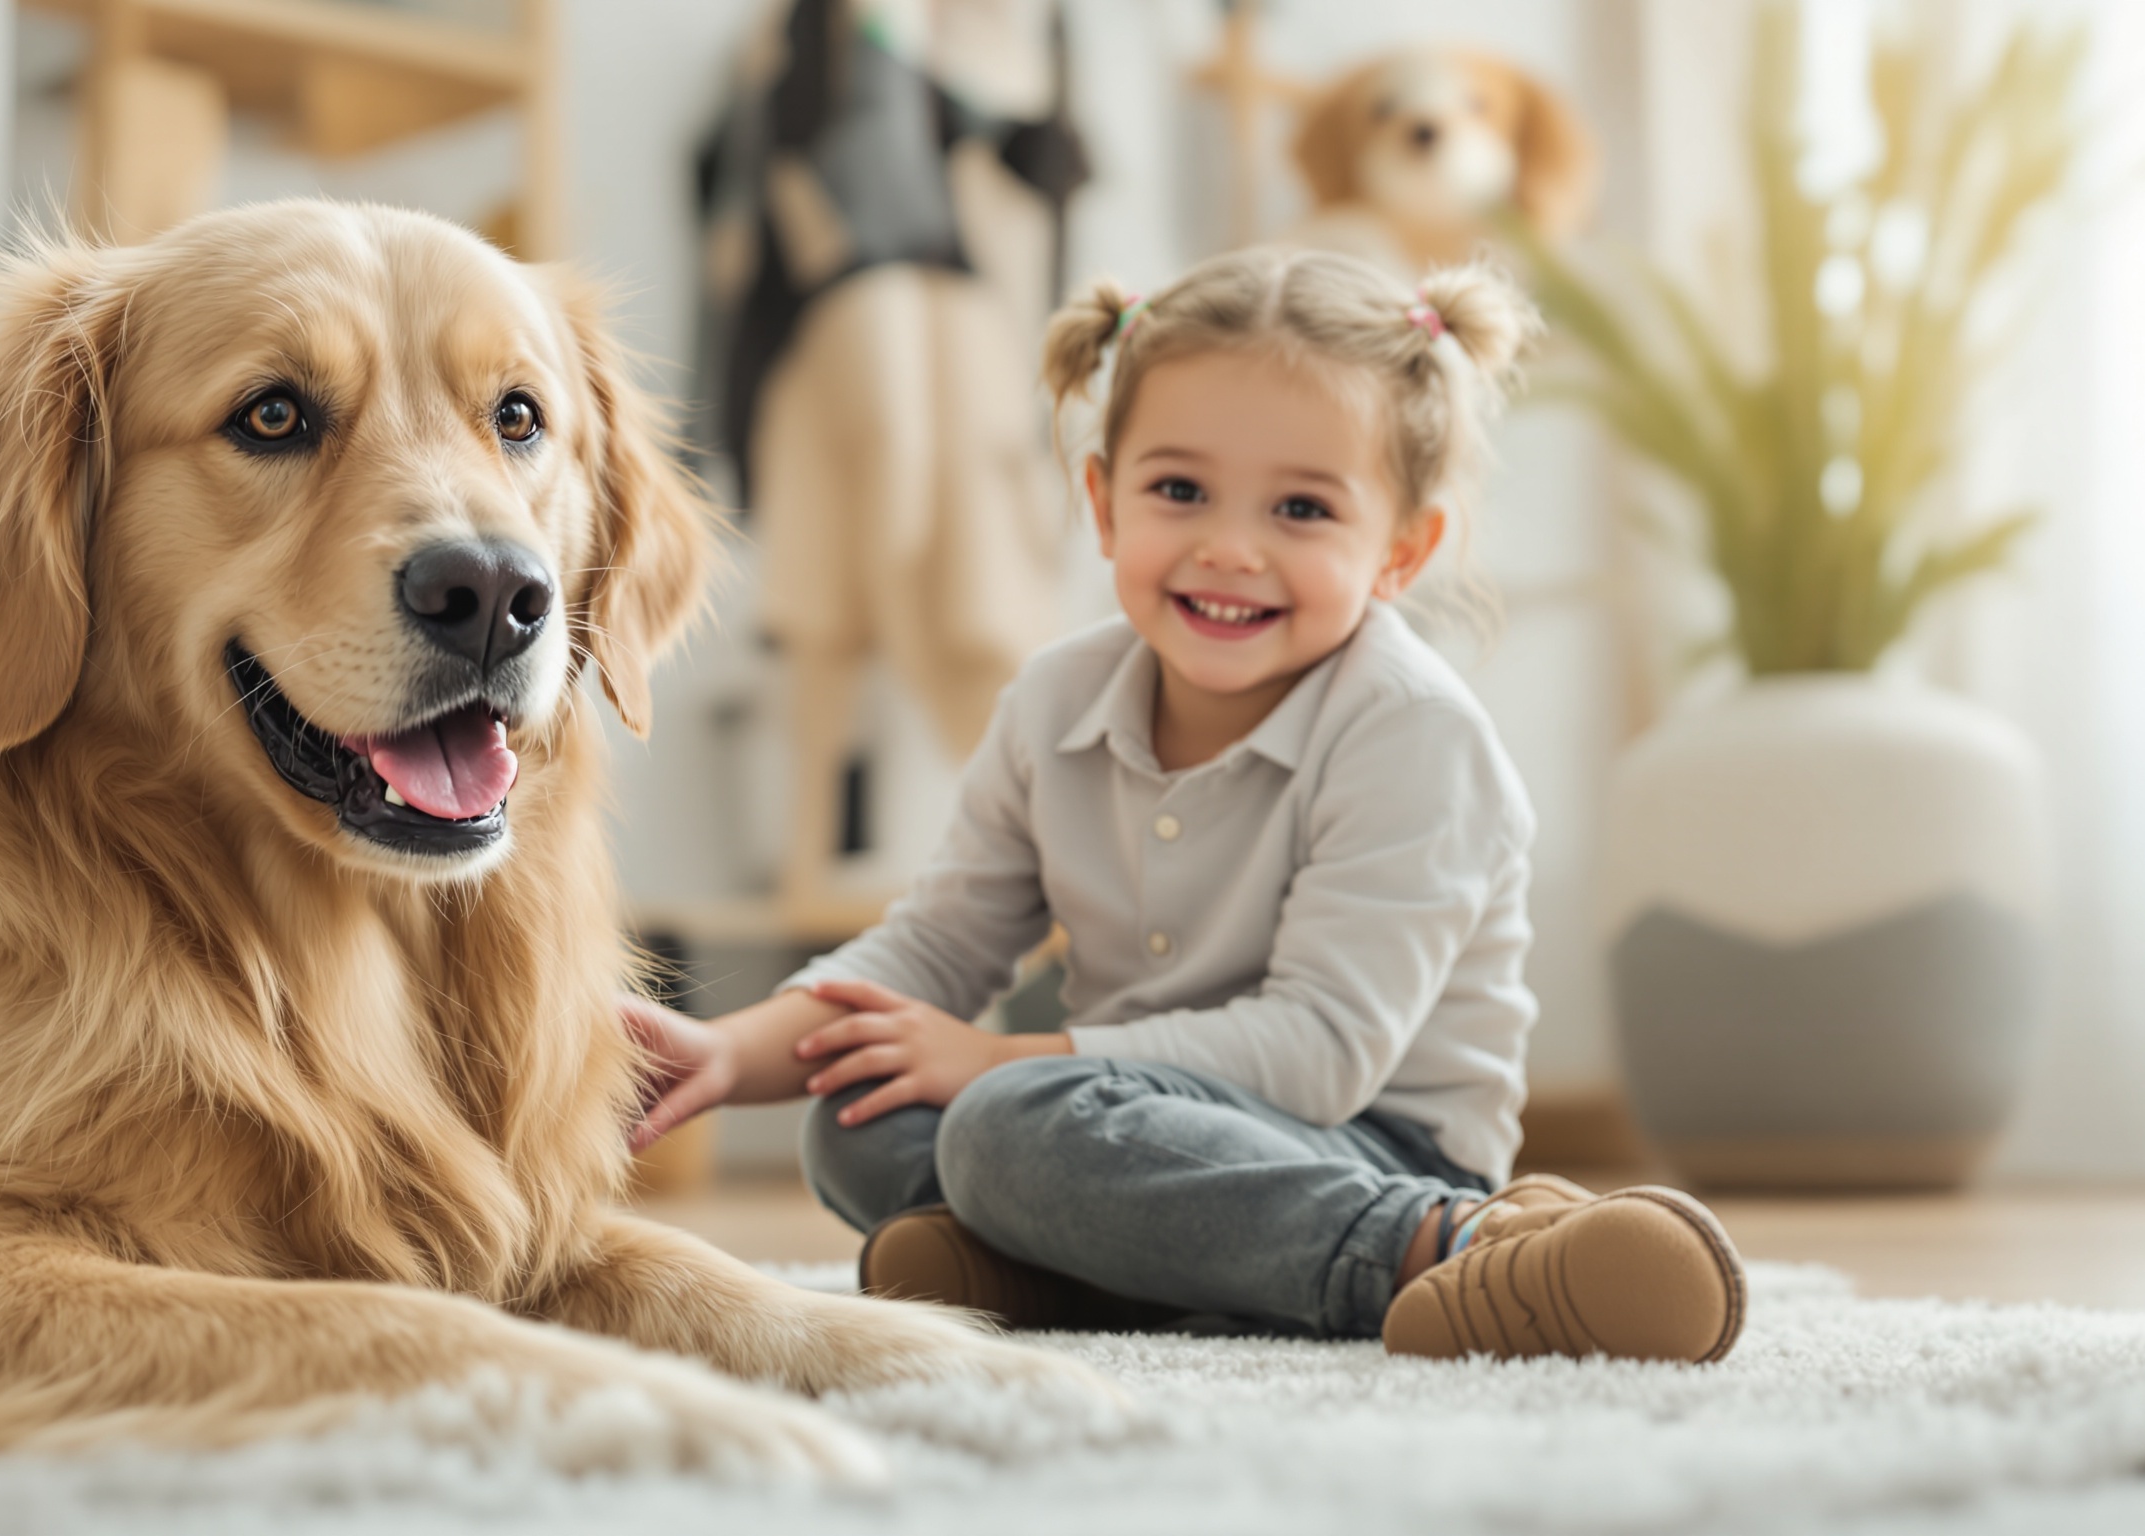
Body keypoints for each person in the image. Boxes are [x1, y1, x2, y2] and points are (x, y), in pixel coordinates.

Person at [624, 247, 1745, 1361]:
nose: (1228, 546)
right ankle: (1078, 1265)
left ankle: (1446, 1250)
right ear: (1103, 503)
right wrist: (726, 1055)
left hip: (1366, 1144)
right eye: (1179, 491)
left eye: (1301, 508)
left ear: (1402, 551)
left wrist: (1007, 1065)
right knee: (862, 1122)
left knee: (1008, 1129)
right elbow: (934, 947)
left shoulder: (1413, 732)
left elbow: (1318, 1052)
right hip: (1122, 1112)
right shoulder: (1054, 701)